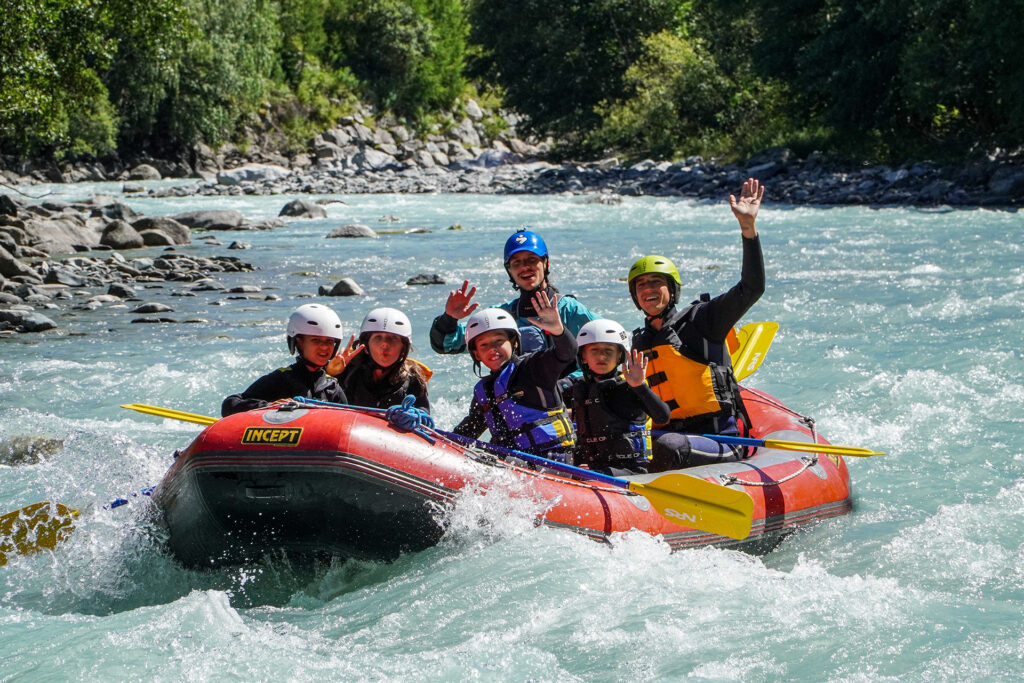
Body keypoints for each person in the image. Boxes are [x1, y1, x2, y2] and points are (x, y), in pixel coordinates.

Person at [629, 177, 766, 471]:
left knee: (667, 446)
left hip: (718, 439)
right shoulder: (639, 342)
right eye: (640, 285)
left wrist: (748, 230)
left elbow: (751, 288)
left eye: (656, 282)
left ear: (672, 290)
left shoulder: (702, 319)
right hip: (670, 436)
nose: (648, 289)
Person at [429, 229, 599, 363]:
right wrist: (449, 318)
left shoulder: (569, 309)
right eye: (516, 262)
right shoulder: (502, 316)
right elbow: (446, 345)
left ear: (546, 264)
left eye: (532, 260)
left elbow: (611, 345)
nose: (524, 267)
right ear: (509, 270)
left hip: (564, 398)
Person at [452, 294, 576, 462]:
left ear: (514, 343)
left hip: (553, 462)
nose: (492, 349)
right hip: (514, 463)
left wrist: (558, 332)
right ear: (476, 354)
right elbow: (468, 431)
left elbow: (566, 354)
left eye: (499, 341)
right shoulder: (485, 390)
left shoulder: (533, 368)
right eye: (484, 345)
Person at [562, 319, 671, 475]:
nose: (602, 356)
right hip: (595, 468)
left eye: (609, 351)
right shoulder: (579, 388)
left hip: (631, 471)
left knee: (586, 478)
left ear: (620, 356)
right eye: (594, 350)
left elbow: (663, 416)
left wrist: (640, 386)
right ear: (583, 357)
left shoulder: (628, 386)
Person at [222, 303, 348, 416]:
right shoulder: (282, 378)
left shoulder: (332, 387)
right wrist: (269, 407)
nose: (324, 347)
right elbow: (230, 404)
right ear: (299, 343)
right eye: (315, 340)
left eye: (329, 341)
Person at [326, 307, 431, 412]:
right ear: (366, 345)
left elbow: (424, 417)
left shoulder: (413, 380)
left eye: (393, 338)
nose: (385, 344)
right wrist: (331, 374)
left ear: (403, 348)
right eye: (378, 337)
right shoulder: (346, 371)